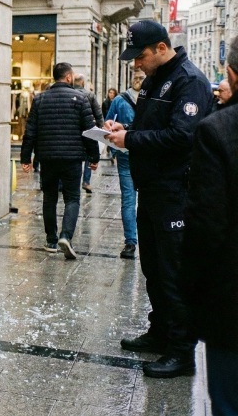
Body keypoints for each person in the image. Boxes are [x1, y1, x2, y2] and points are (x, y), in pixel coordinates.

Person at [106, 20, 213, 378]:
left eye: (140, 56)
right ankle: (160, 331)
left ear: (162, 49)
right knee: (153, 269)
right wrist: (127, 131)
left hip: (175, 192)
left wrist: (131, 141)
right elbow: (153, 127)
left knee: (172, 272)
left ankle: (182, 352)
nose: (136, 63)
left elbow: (182, 137)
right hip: (151, 189)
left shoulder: (189, 81)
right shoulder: (155, 78)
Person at [182, 37, 238, 415]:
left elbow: (206, 225)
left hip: (232, 299)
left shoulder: (217, 130)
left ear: (231, 73)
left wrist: (191, 294)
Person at [20, 63, 99, 259]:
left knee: (50, 198)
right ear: (69, 77)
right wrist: (94, 157)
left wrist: (25, 157)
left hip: (47, 158)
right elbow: (90, 132)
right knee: (72, 198)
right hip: (72, 159)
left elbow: (30, 131)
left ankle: (51, 240)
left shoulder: (39, 100)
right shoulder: (81, 99)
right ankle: (66, 236)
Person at [104, 72, 145, 259]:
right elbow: (108, 123)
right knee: (130, 199)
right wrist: (109, 126)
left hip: (141, 155)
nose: (139, 79)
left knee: (137, 200)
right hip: (132, 156)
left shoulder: (152, 97)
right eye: (137, 76)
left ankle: (137, 240)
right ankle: (131, 241)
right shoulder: (123, 99)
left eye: (141, 76)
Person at [73, 73, 104, 193]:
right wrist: (100, 126)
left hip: (73, 131)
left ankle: (64, 183)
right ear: (83, 83)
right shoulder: (90, 95)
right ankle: (86, 181)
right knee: (89, 155)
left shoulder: (69, 94)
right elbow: (98, 112)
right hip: (88, 129)